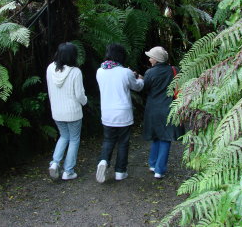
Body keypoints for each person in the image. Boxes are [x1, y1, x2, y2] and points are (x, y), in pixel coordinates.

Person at [95, 43, 144, 183]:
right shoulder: (125, 72)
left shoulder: (100, 71)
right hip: (123, 113)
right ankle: (120, 172)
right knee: (123, 142)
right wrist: (140, 79)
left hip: (107, 113)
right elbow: (137, 87)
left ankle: (103, 161)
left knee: (108, 140)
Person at [46, 42, 88, 180]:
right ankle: (68, 171)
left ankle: (55, 163)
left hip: (57, 111)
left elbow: (51, 90)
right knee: (74, 139)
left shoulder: (50, 68)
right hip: (73, 112)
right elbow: (79, 95)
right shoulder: (75, 72)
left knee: (64, 136)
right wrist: (85, 102)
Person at [143, 46, 178, 179]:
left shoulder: (150, 73)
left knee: (156, 136)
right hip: (169, 108)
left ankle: (153, 164)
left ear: (156, 59)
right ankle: (159, 169)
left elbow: (145, 87)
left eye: (151, 57)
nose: (149, 59)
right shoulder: (174, 70)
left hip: (153, 109)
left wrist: (140, 78)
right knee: (165, 138)